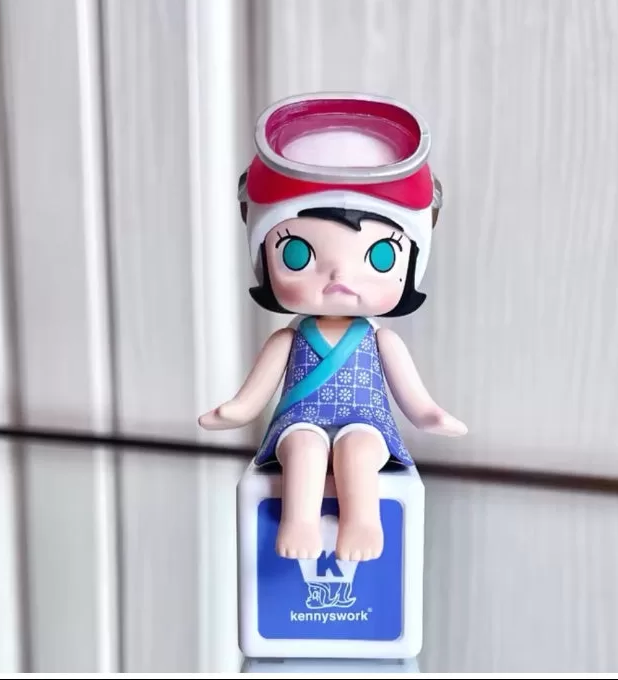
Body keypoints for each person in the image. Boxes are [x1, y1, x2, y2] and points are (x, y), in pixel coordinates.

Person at [198, 93, 467, 563]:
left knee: (359, 451)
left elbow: (414, 397)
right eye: (298, 254)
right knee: (302, 449)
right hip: (299, 421)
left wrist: (431, 416)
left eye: (379, 257)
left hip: (366, 422)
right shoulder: (288, 339)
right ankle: (299, 521)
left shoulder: (381, 340)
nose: (340, 277)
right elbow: (256, 393)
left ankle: (363, 521)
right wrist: (236, 410)